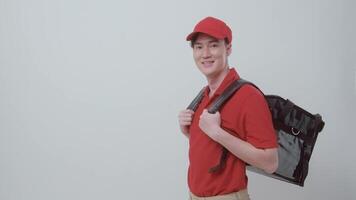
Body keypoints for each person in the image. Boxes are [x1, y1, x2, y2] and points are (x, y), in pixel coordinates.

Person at [178, 16, 279, 200]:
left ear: (228, 48)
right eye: (199, 47)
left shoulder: (249, 96)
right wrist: (188, 131)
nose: (205, 53)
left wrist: (217, 133)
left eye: (213, 45)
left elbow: (271, 162)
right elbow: (213, 149)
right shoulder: (203, 95)